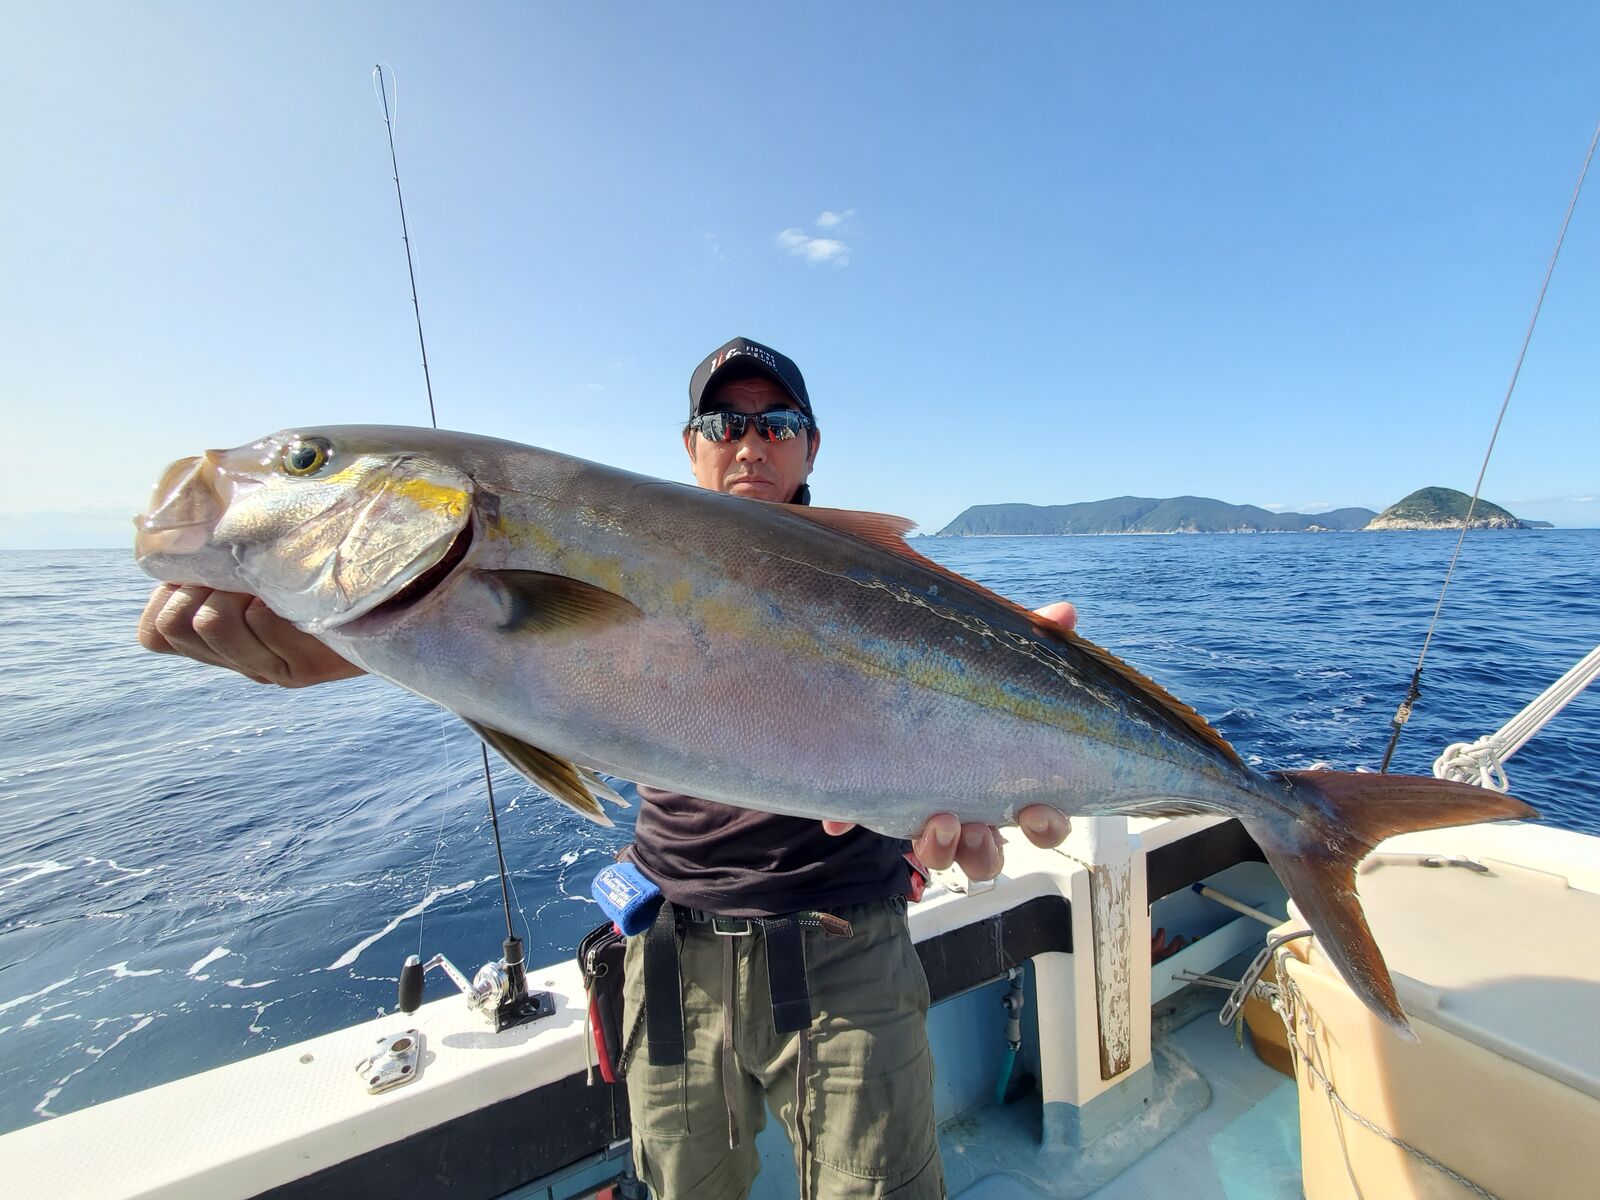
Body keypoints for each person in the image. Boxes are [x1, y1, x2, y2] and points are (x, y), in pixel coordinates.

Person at [138, 336, 1076, 1199]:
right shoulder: (612, 551)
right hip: (672, 961)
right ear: (691, 444)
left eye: (776, 423)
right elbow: (495, 638)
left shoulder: (873, 590)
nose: (750, 442)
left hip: (847, 951)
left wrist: (1026, 726)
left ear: (811, 447)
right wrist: (328, 631)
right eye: (724, 423)